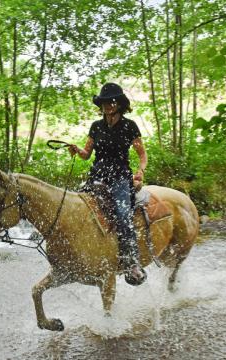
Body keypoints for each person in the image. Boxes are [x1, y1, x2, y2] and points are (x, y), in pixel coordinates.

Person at [68, 83, 148, 286]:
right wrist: (77, 150)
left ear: (119, 104)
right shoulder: (96, 126)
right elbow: (87, 155)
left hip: (120, 177)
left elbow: (142, 154)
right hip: (97, 176)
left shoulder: (130, 126)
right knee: (77, 207)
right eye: (104, 102)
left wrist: (140, 171)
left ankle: (132, 262)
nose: (108, 105)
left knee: (122, 214)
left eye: (112, 101)